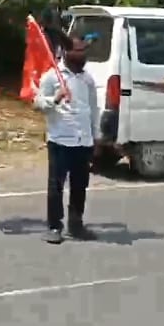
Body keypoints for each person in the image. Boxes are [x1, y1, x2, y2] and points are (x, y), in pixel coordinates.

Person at [34, 36, 99, 244]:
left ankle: (76, 224)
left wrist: (95, 137)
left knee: (80, 186)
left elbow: (93, 110)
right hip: (60, 140)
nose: (83, 56)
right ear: (67, 52)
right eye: (79, 51)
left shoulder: (87, 79)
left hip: (83, 141)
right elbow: (37, 104)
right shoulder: (52, 77)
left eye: (85, 51)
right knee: (56, 187)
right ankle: (54, 227)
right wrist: (55, 98)